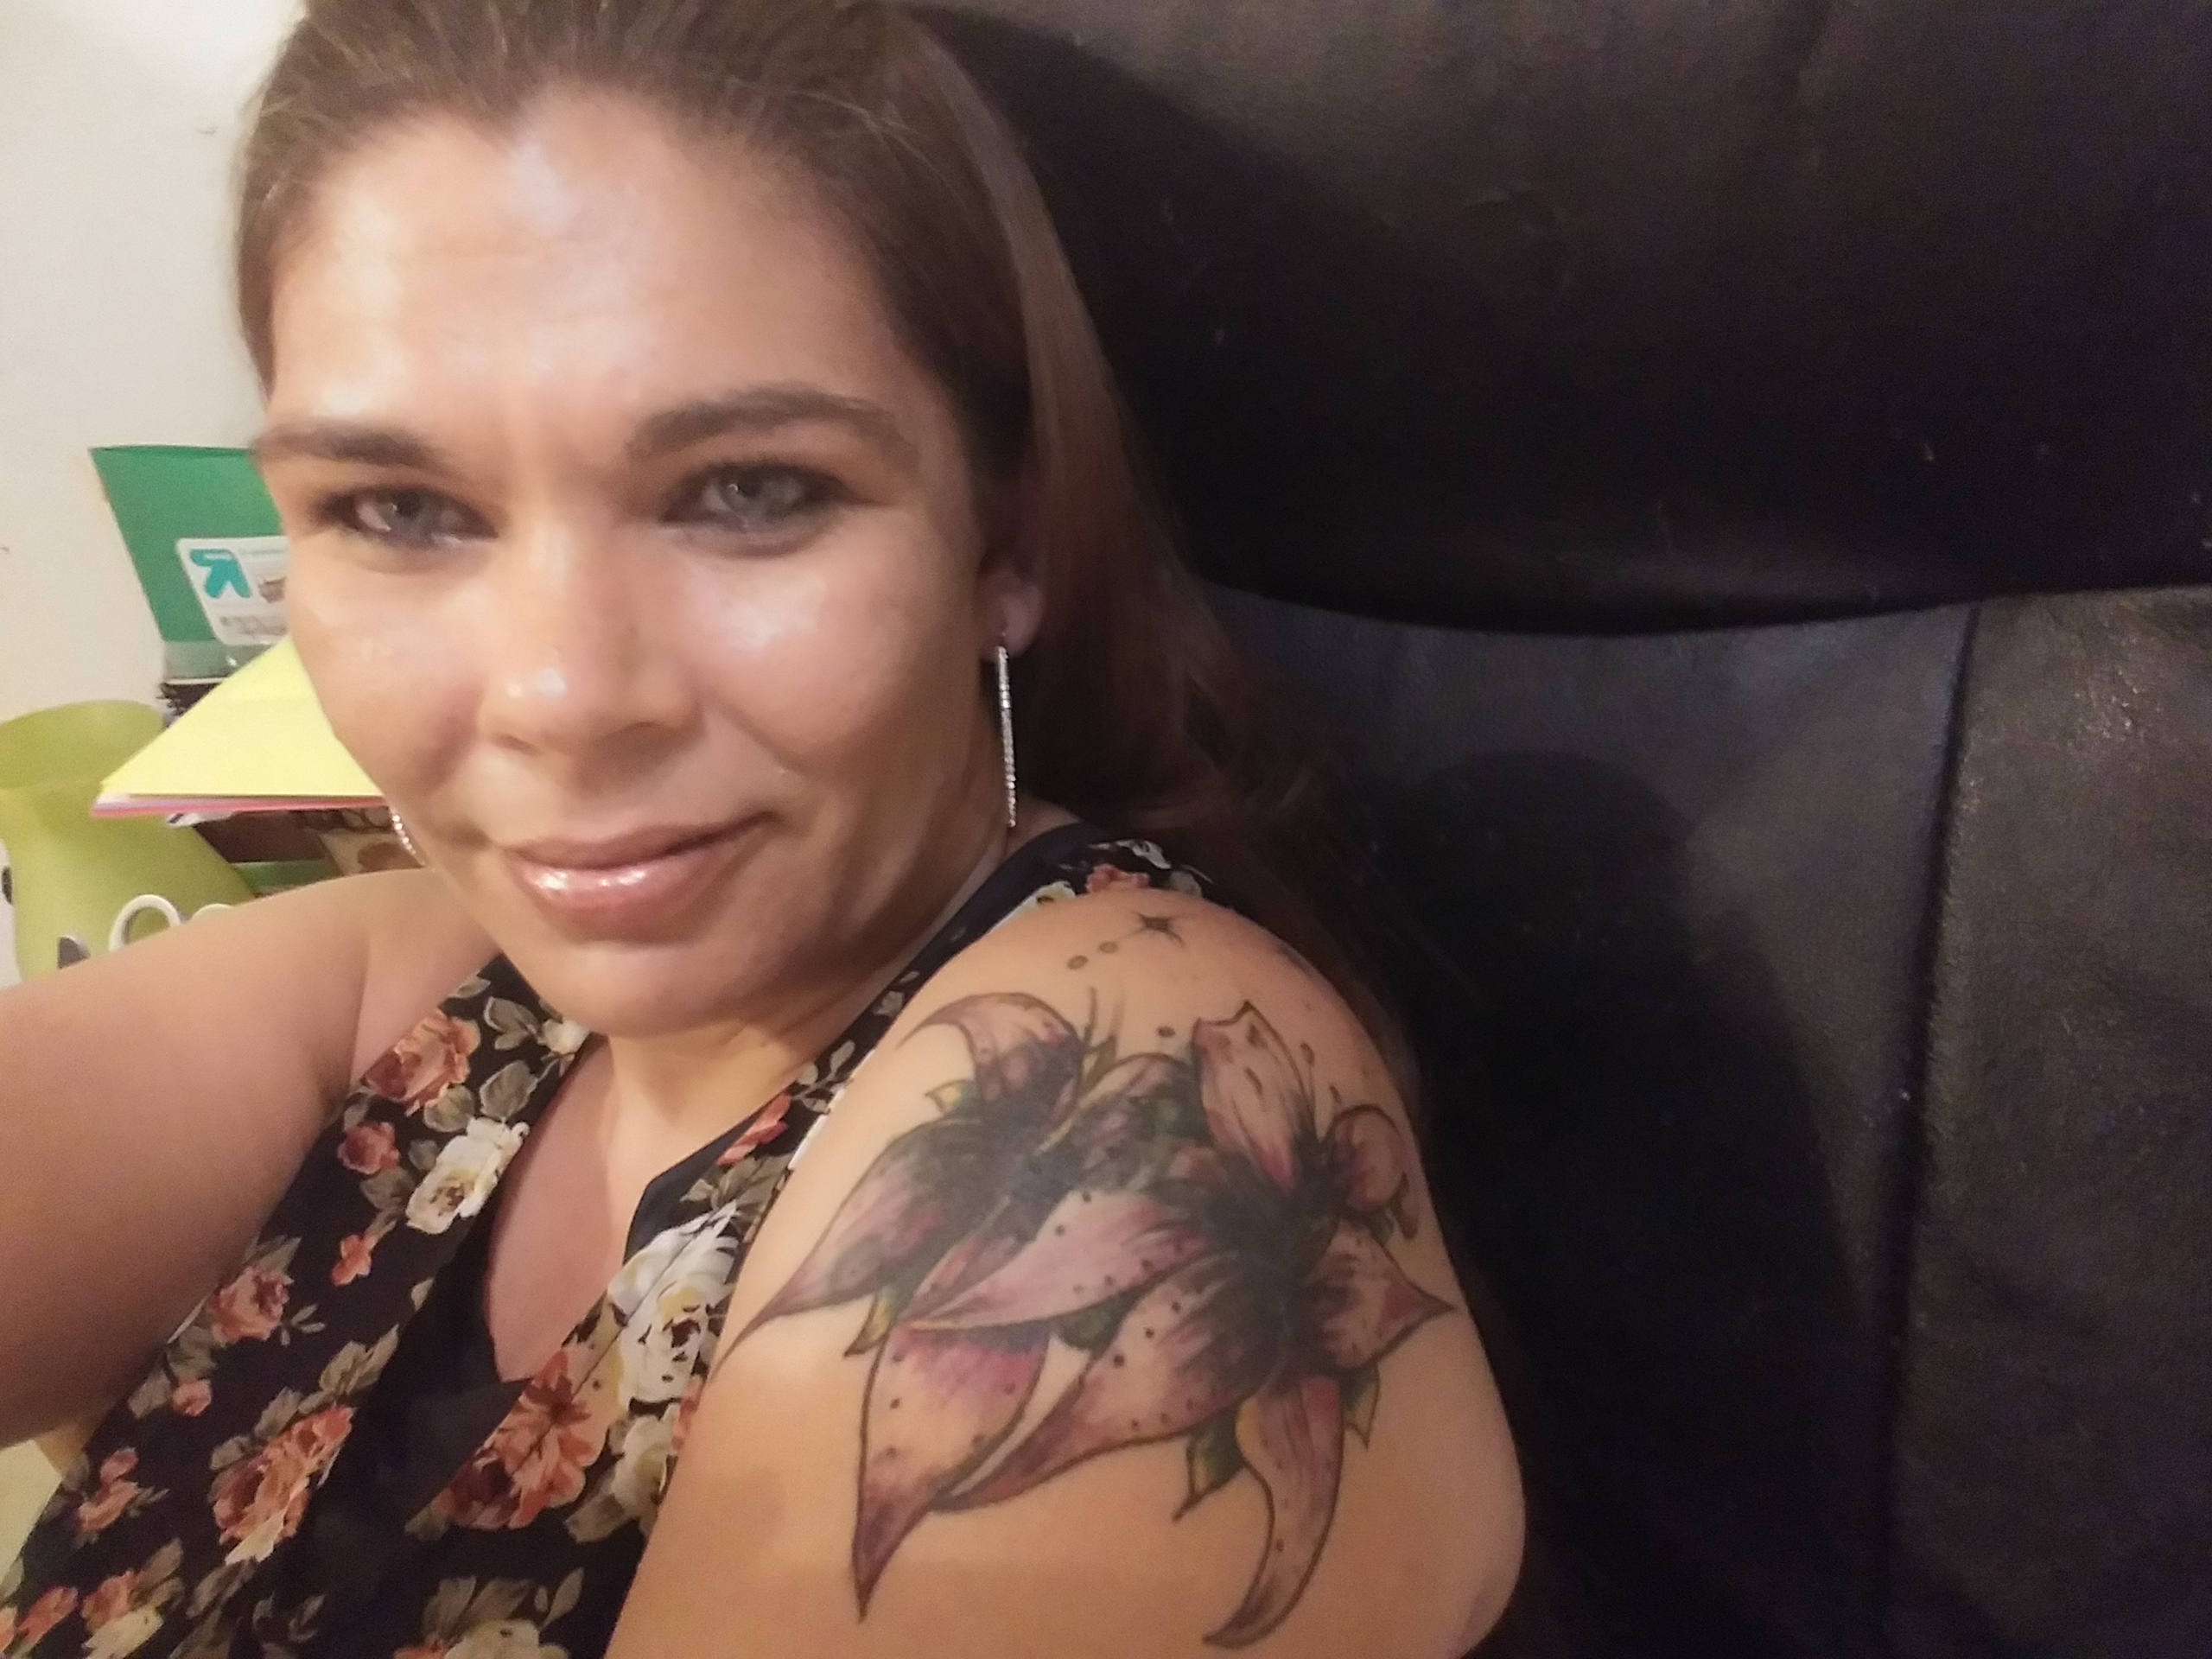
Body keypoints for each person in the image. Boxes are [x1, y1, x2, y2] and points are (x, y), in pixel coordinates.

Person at [0, 2, 1522, 1653]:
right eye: (401, 511)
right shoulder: (408, 1000)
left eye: (749, 490)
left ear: (1005, 541)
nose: (561, 696)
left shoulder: (1123, 1099)